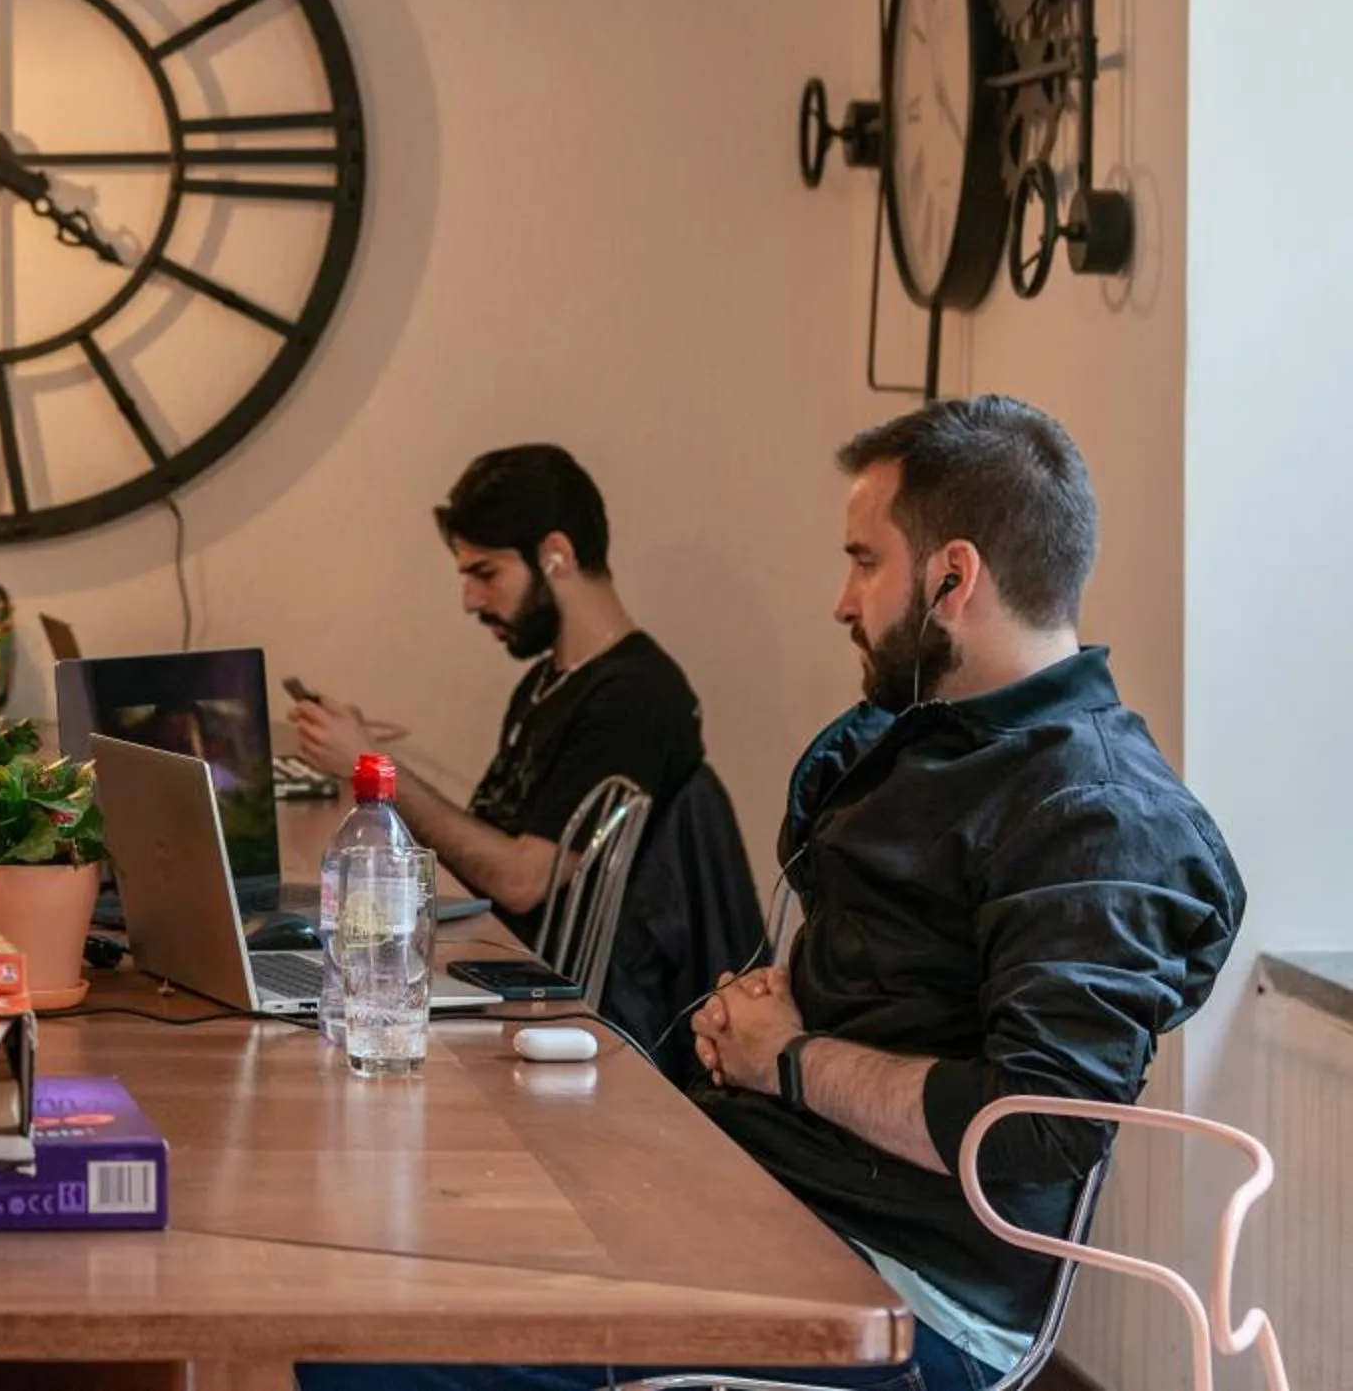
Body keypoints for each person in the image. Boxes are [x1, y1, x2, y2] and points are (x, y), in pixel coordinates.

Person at [297, 397, 1246, 1391]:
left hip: (897, 1294)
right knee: (371, 1245)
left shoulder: (1096, 815)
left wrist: (786, 1057)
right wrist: (761, 1016)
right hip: (756, 1195)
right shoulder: (917, 744)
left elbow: (1033, 1127)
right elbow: (889, 990)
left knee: (364, 1352)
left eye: (865, 561)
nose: (842, 600)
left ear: (953, 576)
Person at [287, 444, 705, 925]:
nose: (469, 600)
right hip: (481, 946)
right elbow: (487, 846)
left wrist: (374, 767)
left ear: (556, 555)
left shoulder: (632, 699)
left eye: (486, 573)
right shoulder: (545, 682)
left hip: (534, 987)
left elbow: (523, 881)